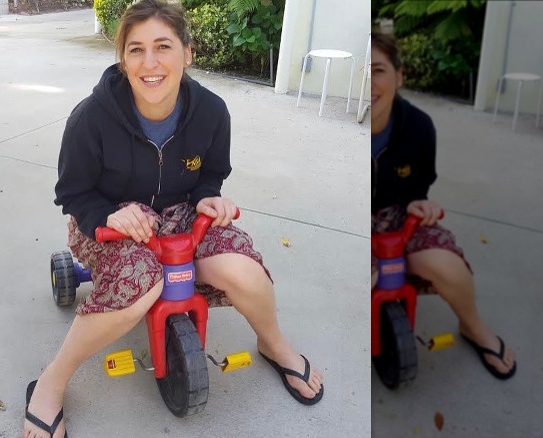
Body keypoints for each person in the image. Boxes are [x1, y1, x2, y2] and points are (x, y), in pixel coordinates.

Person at [23, 0, 324, 436]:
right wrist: (110, 213)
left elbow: (211, 176)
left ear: (188, 51)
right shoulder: (90, 119)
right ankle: (51, 381)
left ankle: (273, 343)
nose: (150, 63)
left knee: (245, 271)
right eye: (135, 49)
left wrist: (208, 200)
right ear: (122, 59)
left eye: (163, 46)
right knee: (140, 286)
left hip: (183, 218)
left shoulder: (212, 112)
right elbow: (72, 194)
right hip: (111, 223)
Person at [370, 31, 516, 380]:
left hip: (398, 217)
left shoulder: (419, 127)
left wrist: (421, 205)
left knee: (449, 267)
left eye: (377, 70)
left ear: (399, 76)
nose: (368, 82)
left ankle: (473, 327)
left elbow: (419, 188)